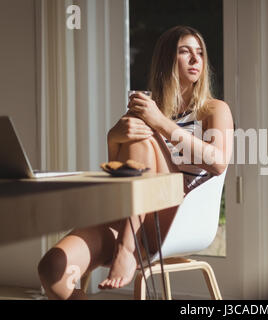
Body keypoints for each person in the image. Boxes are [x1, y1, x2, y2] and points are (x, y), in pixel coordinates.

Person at [37, 25, 234, 300]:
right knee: (52, 270)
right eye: (185, 52)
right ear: (167, 59)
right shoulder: (149, 107)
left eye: (200, 53)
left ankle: (127, 249)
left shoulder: (214, 109)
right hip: (131, 216)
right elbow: (122, 174)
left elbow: (219, 162)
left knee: (142, 135)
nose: (195, 60)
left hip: (173, 219)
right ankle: (126, 243)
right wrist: (113, 139)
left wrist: (161, 124)